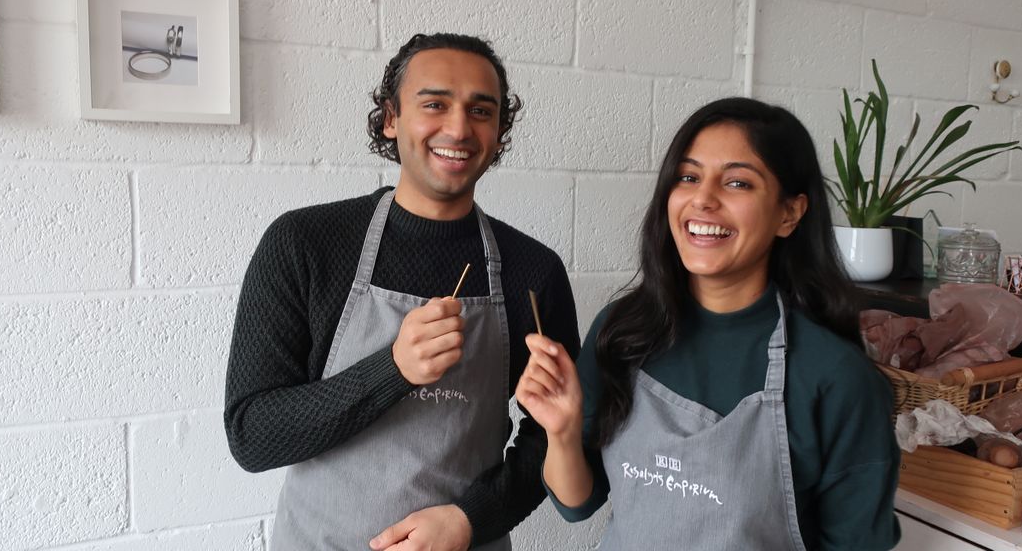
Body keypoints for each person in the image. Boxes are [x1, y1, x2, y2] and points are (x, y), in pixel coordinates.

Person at [224, 33, 580, 551]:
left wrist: (469, 521)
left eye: (481, 111)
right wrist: (393, 369)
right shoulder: (304, 244)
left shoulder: (533, 271)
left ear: (500, 132)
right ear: (390, 118)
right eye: (434, 103)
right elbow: (252, 436)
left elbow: (552, 436)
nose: (458, 128)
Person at [516, 98, 901, 549]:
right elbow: (576, 503)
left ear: (789, 214)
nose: (703, 198)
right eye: (688, 177)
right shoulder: (624, 332)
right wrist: (561, 432)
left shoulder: (835, 377)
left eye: (737, 182)